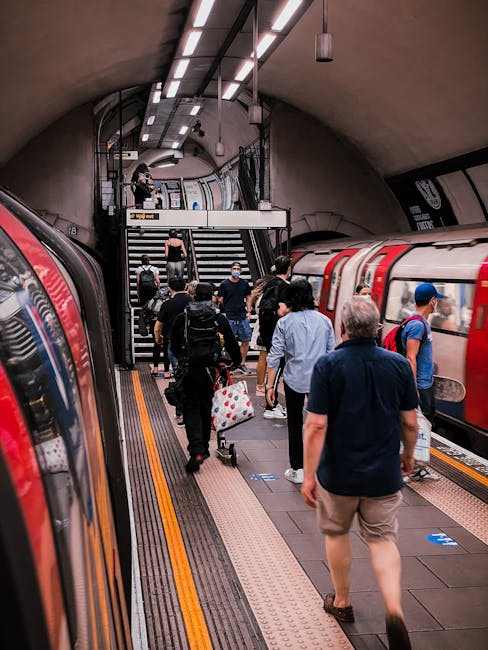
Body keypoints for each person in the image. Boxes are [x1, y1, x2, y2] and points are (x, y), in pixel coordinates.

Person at [301, 297, 418, 650]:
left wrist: (308, 476)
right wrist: (408, 456)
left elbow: (316, 425)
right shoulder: (398, 365)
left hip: (339, 474)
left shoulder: (328, 365)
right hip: (383, 473)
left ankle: (342, 602)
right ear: (378, 328)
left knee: (337, 533)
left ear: (343, 328)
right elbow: (410, 422)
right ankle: (394, 609)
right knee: (383, 541)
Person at [266, 279, 336, 483]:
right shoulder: (324, 321)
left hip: (294, 379)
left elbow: (275, 355)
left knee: (295, 423)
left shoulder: (285, 323)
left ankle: (298, 469)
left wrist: (270, 386)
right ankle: (323, 465)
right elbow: (331, 353)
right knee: (322, 422)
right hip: (320, 380)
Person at [170, 283, 242, 472]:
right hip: (211, 371)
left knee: (190, 407)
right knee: (205, 407)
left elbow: (174, 344)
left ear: (194, 296)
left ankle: (196, 451)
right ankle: (203, 446)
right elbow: (233, 344)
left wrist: (181, 360)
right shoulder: (219, 318)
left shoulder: (183, 318)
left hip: (189, 370)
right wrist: (235, 361)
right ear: (212, 297)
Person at [259, 255, 291, 418]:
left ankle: (272, 403)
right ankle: (271, 406)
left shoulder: (270, 283)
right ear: (289, 269)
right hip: (277, 332)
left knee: (275, 365)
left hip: (266, 330)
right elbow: (282, 310)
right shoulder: (284, 286)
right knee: (277, 366)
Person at [154, 276, 192, 384]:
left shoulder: (167, 304)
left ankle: (180, 382)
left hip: (175, 341)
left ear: (170, 288)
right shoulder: (193, 300)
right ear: (185, 286)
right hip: (192, 339)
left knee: (178, 369)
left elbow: (158, 326)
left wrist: (158, 338)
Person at [218, 262, 253, 375]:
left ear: (241, 271)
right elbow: (220, 300)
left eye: (238, 269)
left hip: (242, 315)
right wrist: (223, 313)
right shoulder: (224, 284)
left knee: (246, 339)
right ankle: (231, 363)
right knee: (228, 341)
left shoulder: (244, 283)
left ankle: (242, 364)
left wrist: (249, 311)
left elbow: (248, 297)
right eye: (234, 268)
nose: (236, 270)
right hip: (229, 316)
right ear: (230, 270)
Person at [249, 275, 274, 394]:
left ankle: (260, 384)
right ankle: (263, 385)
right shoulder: (267, 297)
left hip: (260, 326)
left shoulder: (258, 297)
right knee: (266, 358)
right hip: (267, 327)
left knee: (262, 357)